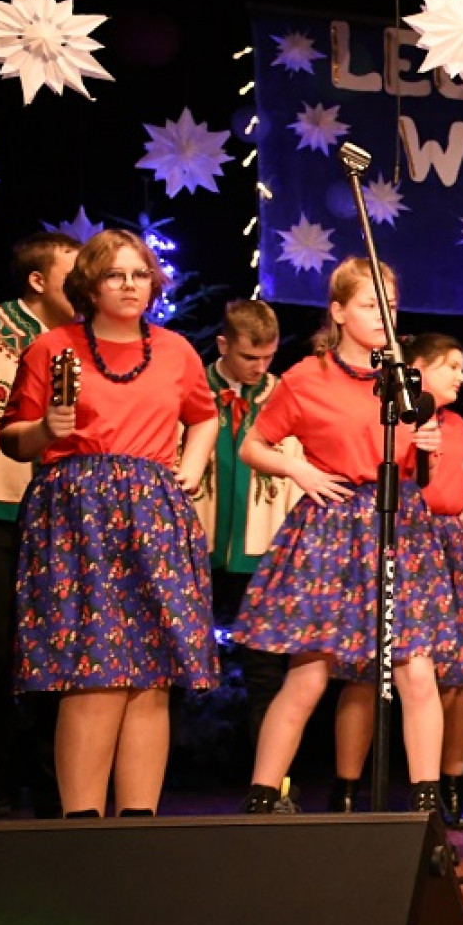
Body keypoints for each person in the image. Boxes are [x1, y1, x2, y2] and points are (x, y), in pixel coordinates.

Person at [0, 229, 218, 816]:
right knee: (91, 668)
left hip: (155, 514)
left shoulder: (175, 350)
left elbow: (204, 415)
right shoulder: (54, 348)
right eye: (115, 275)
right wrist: (46, 430)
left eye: (140, 274)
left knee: (152, 670)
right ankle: (82, 826)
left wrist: (191, 468)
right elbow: (13, 437)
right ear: (89, 285)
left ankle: (137, 825)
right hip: (78, 515)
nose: (129, 285)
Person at [232, 257, 454, 815]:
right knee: (309, 674)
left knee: (416, 670)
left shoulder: (406, 380)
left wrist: (428, 449)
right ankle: (261, 799)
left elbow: (419, 470)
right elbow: (253, 445)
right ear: (338, 312)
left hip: (399, 525)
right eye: (369, 305)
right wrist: (298, 470)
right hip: (334, 527)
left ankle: (427, 811)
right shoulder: (308, 377)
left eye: (391, 305)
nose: (383, 315)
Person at [328, 332, 463, 824]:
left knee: (453, 678)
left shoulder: (458, 426)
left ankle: (447, 790)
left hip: (451, 548)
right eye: (450, 365)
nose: (461, 376)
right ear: (416, 368)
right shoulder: (386, 416)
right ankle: (347, 791)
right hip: (398, 538)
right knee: (366, 674)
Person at [0, 231, 77, 818]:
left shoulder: (88, 343)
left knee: (59, 652)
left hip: (67, 520)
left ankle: (58, 790)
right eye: (72, 273)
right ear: (38, 281)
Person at [189, 299, 301, 769]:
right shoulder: (193, 386)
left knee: (265, 674)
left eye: (268, 357)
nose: (259, 367)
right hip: (196, 550)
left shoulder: (284, 394)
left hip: (263, 554)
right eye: (249, 357)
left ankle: (270, 785)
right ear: (223, 345)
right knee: (175, 667)